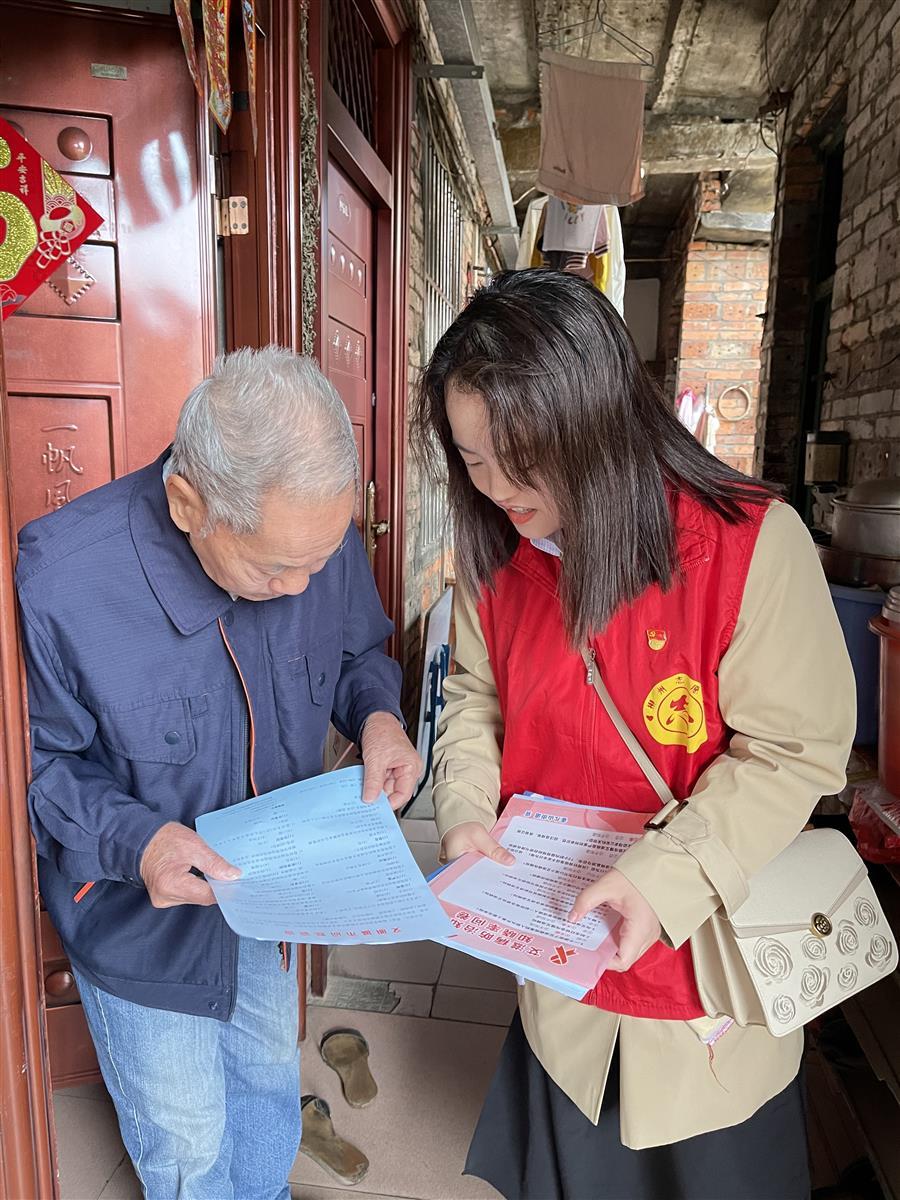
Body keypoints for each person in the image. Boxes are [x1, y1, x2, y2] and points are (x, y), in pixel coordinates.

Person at [413, 269, 855, 1200]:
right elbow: (475, 703)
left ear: (598, 425)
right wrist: (464, 811)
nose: (496, 488)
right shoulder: (495, 559)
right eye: (472, 458)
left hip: (702, 990)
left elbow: (794, 750)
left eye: (519, 457)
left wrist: (661, 879)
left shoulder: (745, 544)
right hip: (562, 979)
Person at [18, 346, 421, 1200]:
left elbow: (356, 649)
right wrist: (138, 842)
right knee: (188, 1140)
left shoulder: (309, 531)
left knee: (268, 1093)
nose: (304, 585)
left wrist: (378, 715)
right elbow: (41, 762)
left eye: (321, 560)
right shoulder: (64, 578)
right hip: (140, 925)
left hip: (269, 904)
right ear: (187, 503)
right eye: (275, 569)